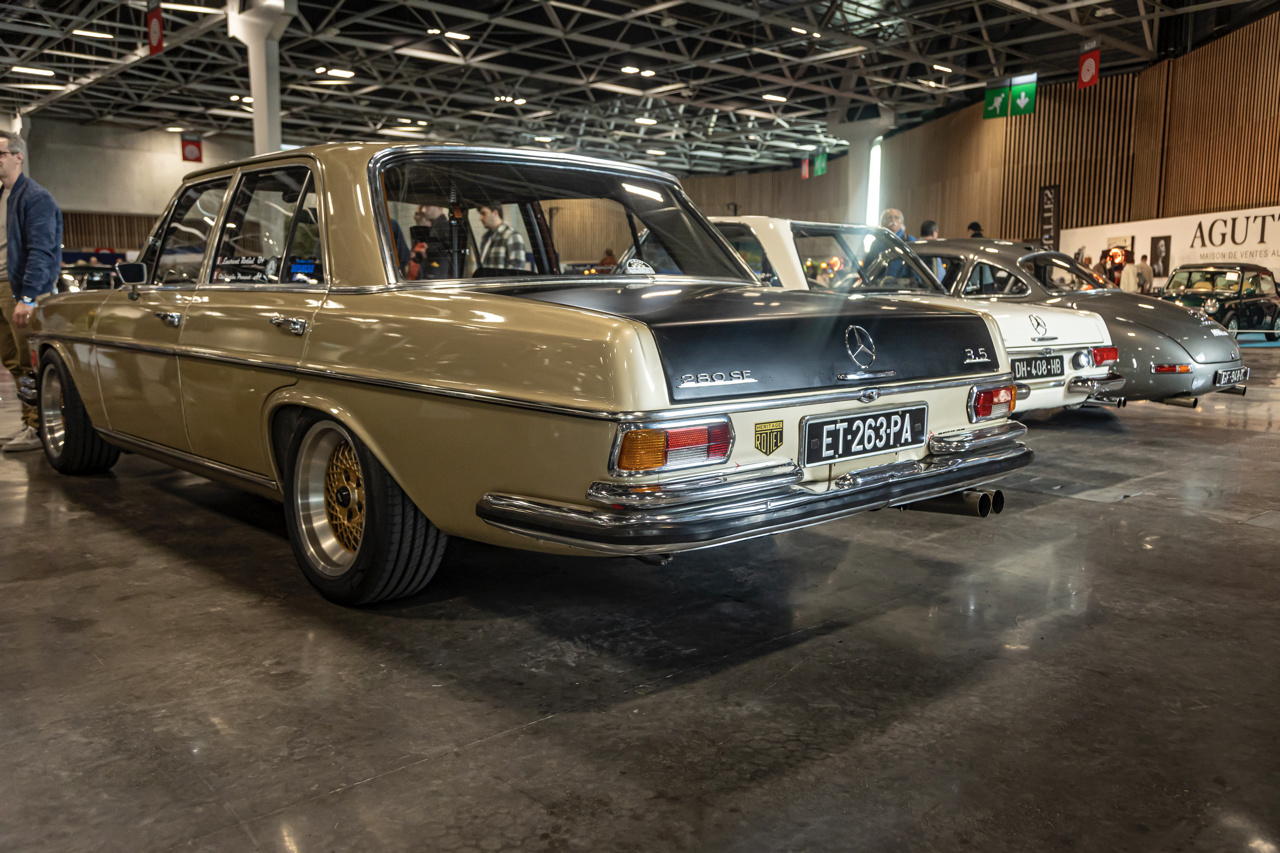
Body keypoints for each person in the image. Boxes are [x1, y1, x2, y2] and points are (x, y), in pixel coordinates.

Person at [0, 129, 63, 452]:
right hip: (1, 287)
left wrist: (28, 297)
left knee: (30, 362)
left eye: (0, 154)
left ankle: (41, 427)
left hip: (20, 290)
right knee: (12, 360)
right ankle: (30, 423)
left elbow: (42, 251)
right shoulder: (2, 197)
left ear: (18, 157)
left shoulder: (35, 197)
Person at [476, 204, 527, 271]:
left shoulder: (511, 235)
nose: (480, 218)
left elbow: (517, 270)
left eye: (484, 213)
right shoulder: (486, 237)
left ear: (495, 213)